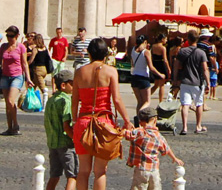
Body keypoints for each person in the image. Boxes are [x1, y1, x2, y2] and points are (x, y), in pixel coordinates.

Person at [73, 37, 131, 190]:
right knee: (100, 171)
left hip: (83, 121)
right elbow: (117, 99)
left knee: (83, 171)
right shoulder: (111, 71)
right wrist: (127, 120)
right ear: (105, 54)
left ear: (89, 53)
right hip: (103, 122)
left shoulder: (79, 72)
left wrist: (74, 121)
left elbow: (74, 101)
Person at [123, 105, 183, 190]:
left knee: (138, 187)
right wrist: (174, 158)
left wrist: (124, 129)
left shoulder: (139, 132)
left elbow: (126, 134)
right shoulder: (158, 136)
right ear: (155, 120)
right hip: (154, 169)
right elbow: (166, 148)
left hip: (141, 169)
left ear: (140, 122)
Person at [44, 70, 78, 190]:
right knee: (72, 175)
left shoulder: (50, 100)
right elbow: (66, 125)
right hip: (66, 143)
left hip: (53, 143)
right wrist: (76, 139)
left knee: (54, 176)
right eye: (72, 84)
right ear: (63, 85)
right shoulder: (66, 101)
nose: (74, 86)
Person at [172, 30, 209, 134]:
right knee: (199, 104)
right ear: (197, 39)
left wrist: (175, 80)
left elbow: (176, 67)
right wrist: (208, 83)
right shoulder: (201, 52)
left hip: (184, 81)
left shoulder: (182, 51)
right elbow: (205, 69)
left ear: (188, 39)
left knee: (185, 104)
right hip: (197, 82)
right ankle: (198, 126)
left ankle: (184, 127)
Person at [0, 25, 32, 136]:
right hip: (4, 76)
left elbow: (24, 63)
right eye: (7, 35)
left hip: (17, 76)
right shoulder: (3, 47)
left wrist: (28, 78)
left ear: (17, 36)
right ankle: (9, 127)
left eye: (11, 36)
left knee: (10, 100)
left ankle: (16, 124)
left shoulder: (21, 47)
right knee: (8, 104)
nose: (9, 38)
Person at [129, 35, 158, 111]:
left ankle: (137, 119)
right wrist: (160, 74)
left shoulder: (133, 49)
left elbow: (132, 63)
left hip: (134, 77)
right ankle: (140, 115)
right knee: (147, 102)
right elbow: (151, 67)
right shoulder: (146, 52)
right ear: (145, 42)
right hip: (143, 78)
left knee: (140, 102)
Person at [30, 34, 54, 100]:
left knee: (43, 88)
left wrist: (26, 64)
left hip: (38, 70)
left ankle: (52, 99)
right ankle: (29, 99)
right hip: (44, 69)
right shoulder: (45, 48)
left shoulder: (35, 49)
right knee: (33, 85)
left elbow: (31, 60)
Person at [149, 34, 171, 102]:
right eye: (166, 39)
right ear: (162, 39)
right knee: (161, 85)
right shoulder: (163, 48)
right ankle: (160, 101)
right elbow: (165, 59)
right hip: (161, 65)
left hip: (155, 64)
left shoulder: (153, 46)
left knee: (156, 85)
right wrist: (168, 68)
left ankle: (146, 96)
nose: (166, 41)